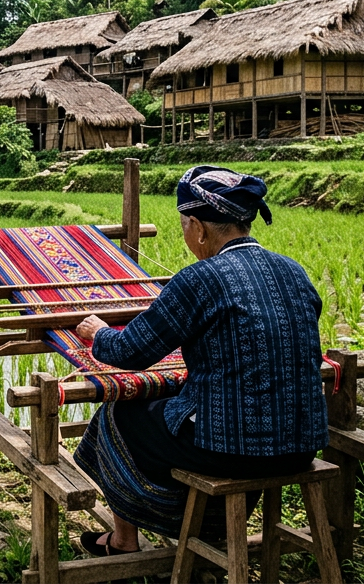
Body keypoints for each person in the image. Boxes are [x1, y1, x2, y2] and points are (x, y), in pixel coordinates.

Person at [70, 165, 328, 555]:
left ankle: (125, 540)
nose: (186, 235)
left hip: (232, 452)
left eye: (185, 226)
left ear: (199, 227)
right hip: (301, 447)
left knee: (118, 412)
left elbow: (131, 352)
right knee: (195, 413)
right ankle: (209, 529)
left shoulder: (200, 279)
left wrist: (98, 333)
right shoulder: (293, 271)